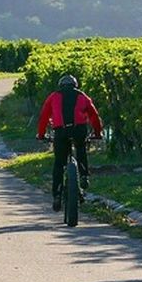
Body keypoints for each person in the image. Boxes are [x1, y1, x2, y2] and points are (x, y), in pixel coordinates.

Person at [36, 74, 103, 211]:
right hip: (79, 130)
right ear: (75, 85)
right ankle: (84, 175)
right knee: (81, 149)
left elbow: (44, 117)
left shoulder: (53, 97)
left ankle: (56, 195)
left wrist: (41, 135)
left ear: (61, 85)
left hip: (60, 132)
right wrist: (97, 133)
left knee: (59, 164)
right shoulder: (82, 96)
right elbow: (94, 115)